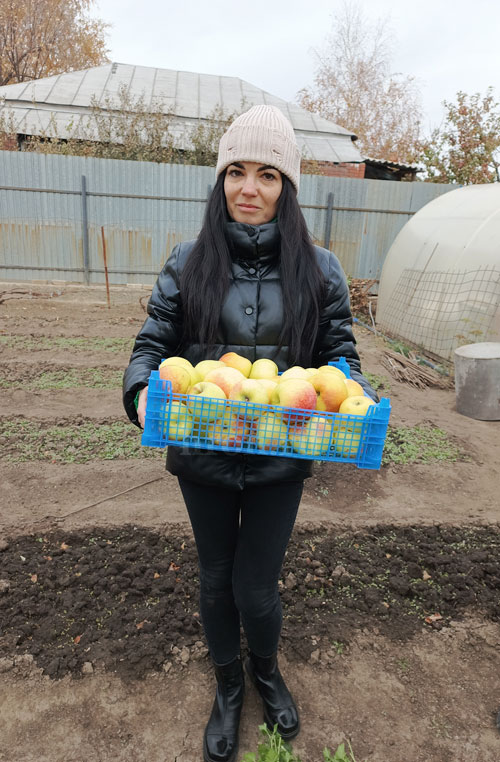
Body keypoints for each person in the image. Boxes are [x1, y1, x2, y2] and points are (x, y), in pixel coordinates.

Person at [123, 105, 377, 762]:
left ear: (286, 187)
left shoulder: (320, 270)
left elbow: (342, 354)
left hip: (281, 452)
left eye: (267, 174)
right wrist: (141, 387)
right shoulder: (187, 262)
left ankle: (265, 670)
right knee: (214, 577)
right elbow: (151, 344)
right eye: (235, 172)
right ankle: (229, 687)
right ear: (220, 181)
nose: (248, 188)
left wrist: (350, 389)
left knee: (257, 584)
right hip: (203, 446)